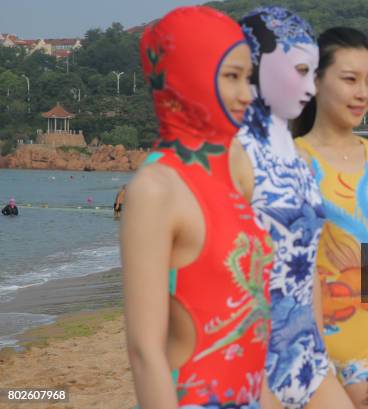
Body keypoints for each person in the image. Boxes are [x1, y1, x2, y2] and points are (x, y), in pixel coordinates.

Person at [121, 7, 273, 408]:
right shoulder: (156, 189)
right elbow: (144, 352)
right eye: (231, 76)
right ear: (190, 75)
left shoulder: (233, 171)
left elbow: (250, 327)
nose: (248, 94)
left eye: (249, 78)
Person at [233, 8, 354, 409]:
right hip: (250, 361)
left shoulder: (299, 161)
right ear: (257, 65)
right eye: (299, 69)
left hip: (309, 359)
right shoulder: (234, 155)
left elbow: (309, 270)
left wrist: (321, 351)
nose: (310, 85)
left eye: (313, 73)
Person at [294, 27, 368, 409]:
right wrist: (316, 365)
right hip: (310, 358)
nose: (363, 93)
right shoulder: (290, 160)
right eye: (349, 80)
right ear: (314, 80)